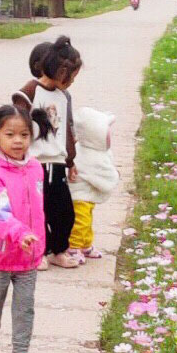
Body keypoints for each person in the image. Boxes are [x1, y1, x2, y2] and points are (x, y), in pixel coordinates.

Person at [0, 104, 51, 353]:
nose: (18, 141)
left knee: (25, 305)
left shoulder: (35, 168)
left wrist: (40, 239)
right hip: (1, 251)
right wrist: (20, 234)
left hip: (29, 253)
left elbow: (39, 207)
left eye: (24, 135)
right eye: (10, 134)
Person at [13, 36, 83, 270]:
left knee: (64, 212)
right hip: (33, 164)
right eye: (70, 75)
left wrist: (71, 160)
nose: (72, 81)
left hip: (58, 163)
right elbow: (14, 127)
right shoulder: (29, 92)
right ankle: (39, 251)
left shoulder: (64, 97)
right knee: (36, 212)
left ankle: (58, 250)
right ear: (57, 69)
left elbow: (67, 129)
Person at [67, 108, 120, 264]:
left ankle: (85, 244)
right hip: (79, 196)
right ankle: (74, 246)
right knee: (81, 222)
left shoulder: (89, 150)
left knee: (88, 220)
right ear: (95, 135)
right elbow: (106, 178)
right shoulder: (91, 155)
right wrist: (116, 175)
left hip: (85, 195)